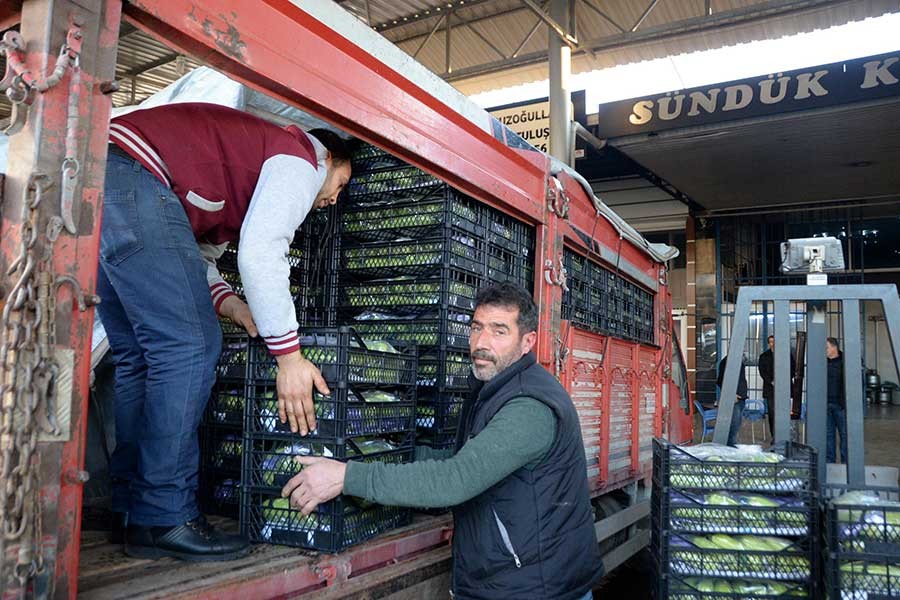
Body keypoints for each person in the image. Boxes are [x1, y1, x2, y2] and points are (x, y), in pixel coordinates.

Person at [98, 102, 351, 561]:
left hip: (104, 180)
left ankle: (132, 510)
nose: (334, 199)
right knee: (190, 347)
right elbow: (261, 253)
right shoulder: (302, 158)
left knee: (140, 355)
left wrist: (234, 306)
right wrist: (289, 357)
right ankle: (164, 514)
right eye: (341, 185)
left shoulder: (236, 191)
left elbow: (196, 258)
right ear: (329, 161)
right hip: (135, 173)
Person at [282, 283, 603, 600]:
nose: (481, 342)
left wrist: (346, 477)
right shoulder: (496, 387)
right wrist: (393, 454)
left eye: (499, 331)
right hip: (518, 580)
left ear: (527, 342)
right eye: (477, 327)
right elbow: (468, 458)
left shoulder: (528, 406)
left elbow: (456, 479)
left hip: (533, 588)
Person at [758, 335, 796, 437]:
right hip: (770, 389)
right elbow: (762, 372)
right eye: (771, 341)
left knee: (785, 412)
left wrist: (783, 381)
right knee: (772, 413)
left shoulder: (786, 355)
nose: (773, 343)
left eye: (775, 341)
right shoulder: (763, 356)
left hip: (785, 388)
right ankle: (774, 436)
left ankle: (785, 435)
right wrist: (771, 381)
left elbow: (793, 369)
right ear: (768, 343)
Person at [716, 354, 748, 446]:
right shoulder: (727, 362)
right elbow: (721, 381)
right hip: (734, 399)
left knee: (736, 423)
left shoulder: (738, 361)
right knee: (733, 424)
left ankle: (731, 444)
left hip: (741, 397)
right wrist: (731, 394)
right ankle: (729, 445)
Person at [826, 337, 848, 464]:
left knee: (845, 436)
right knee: (829, 436)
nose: (825, 350)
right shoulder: (822, 362)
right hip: (826, 405)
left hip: (841, 405)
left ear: (834, 347)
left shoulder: (846, 361)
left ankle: (846, 464)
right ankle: (830, 463)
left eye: (826, 347)